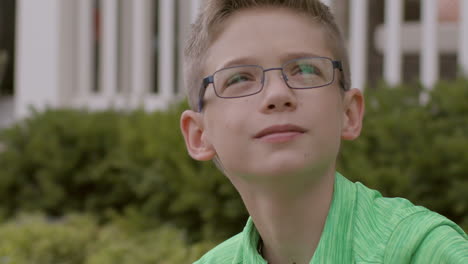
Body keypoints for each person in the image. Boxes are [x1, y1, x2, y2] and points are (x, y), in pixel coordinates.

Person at [180, 0, 468, 263]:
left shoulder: (423, 252)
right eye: (239, 77)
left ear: (349, 113)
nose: (278, 94)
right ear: (199, 135)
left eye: (305, 70)